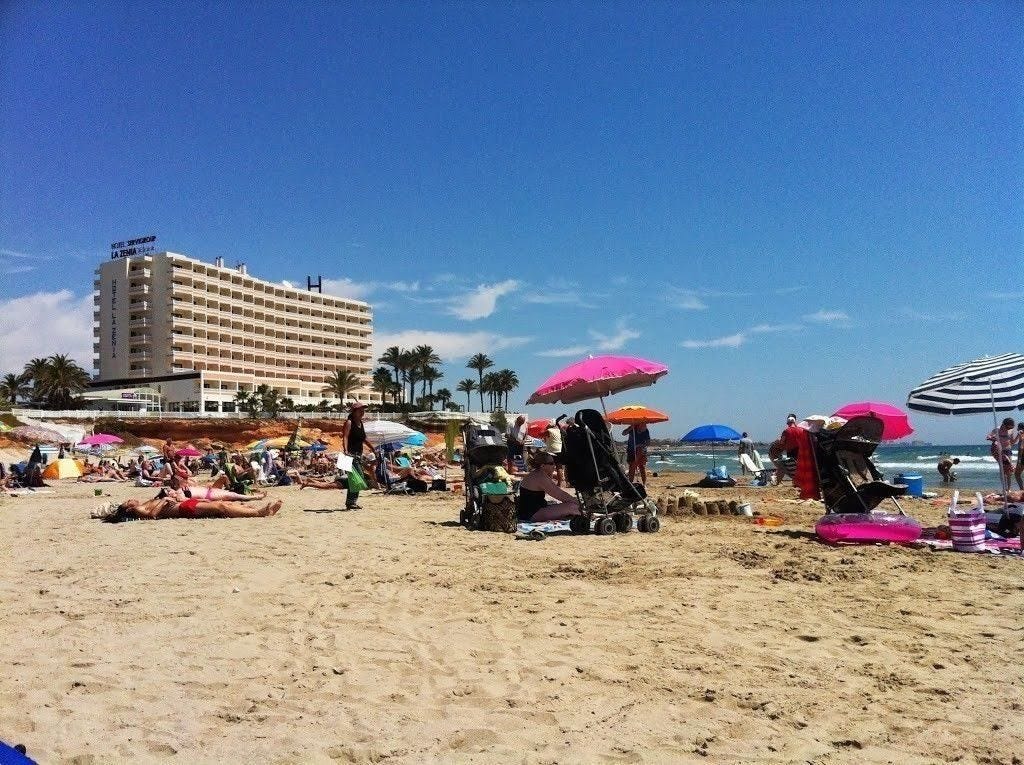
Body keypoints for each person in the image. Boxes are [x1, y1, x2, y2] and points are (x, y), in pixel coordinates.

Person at [93, 495, 282, 522]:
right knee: (221, 506)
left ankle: (255, 510)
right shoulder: (137, 510)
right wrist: (164, 500)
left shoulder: (140, 504)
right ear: (127, 509)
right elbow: (152, 516)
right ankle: (260, 513)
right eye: (127, 502)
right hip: (182, 510)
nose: (129, 500)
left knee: (227, 505)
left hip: (183, 504)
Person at [517, 452, 581, 523]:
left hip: (528, 512)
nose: (554, 465)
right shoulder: (540, 477)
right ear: (543, 466)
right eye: (551, 463)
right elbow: (560, 494)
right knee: (572, 507)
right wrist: (578, 503)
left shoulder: (537, 474)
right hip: (531, 514)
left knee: (570, 505)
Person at [341, 401, 374, 509]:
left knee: (355, 478)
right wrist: (346, 450)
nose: (362, 412)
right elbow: (345, 437)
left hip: (358, 455)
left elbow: (363, 438)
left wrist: (373, 448)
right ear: (354, 412)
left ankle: (351, 502)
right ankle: (351, 502)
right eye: (360, 410)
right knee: (357, 477)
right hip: (350, 455)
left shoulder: (361, 424)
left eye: (363, 410)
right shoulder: (349, 423)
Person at [987, 417, 1018, 491]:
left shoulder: (1011, 431)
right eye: (1007, 427)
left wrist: (1018, 436)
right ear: (1004, 425)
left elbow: (1012, 442)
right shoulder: (997, 430)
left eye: (1010, 428)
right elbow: (988, 436)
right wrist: (992, 438)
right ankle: (1004, 488)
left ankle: (1009, 488)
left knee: (1009, 470)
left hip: (1008, 450)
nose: (1008, 429)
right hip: (999, 451)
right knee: (1003, 470)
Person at [543, 419, 565, 486]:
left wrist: (547, 428)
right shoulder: (560, 431)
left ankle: (549, 483)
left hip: (551, 450)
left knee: (549, 466)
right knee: (559, 467)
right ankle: (560, 483)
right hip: (559, 450)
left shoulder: (549, 430)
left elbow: (543, 436)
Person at [1015, 423, 1024, 490]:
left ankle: (1022, 490)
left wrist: (1019, 460)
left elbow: (1021, 448)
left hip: (1023, 457)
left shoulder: (1021, 435)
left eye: (1018, 427)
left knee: (1017, 474)